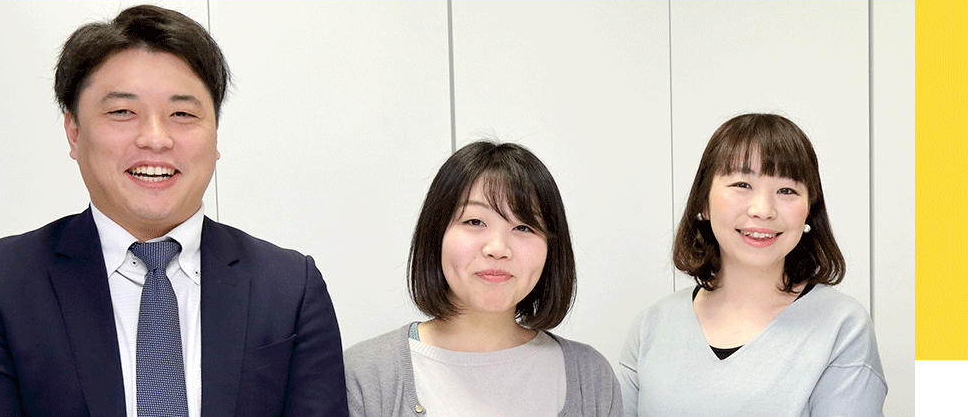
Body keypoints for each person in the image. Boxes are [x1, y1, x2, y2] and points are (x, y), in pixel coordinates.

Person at [0, 5, 347, 417]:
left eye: (182, 113)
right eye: (122, 112)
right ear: (74, 132)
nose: (155, 138)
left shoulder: (290, 287)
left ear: (216, 134)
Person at [619, 113, 887, 416]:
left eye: (786, 190)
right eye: (742, 184)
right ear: (703, 203)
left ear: (809, 211)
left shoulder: (842, 326)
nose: (763, 210)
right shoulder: (652, 325)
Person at [345, 141, 621, 417]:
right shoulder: (368, 376)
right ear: (435, 235)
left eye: (523, 226)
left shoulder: (590, 378)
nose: (498, 248)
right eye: (475, 222)